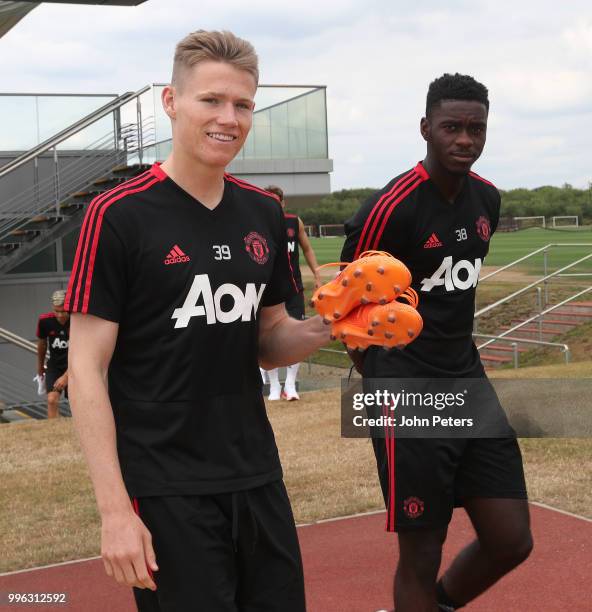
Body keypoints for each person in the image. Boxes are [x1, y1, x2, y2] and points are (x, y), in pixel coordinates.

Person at [65, 30, 331, 612]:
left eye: (242, 105)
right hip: (166, 488)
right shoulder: (116, 216)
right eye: (211, 100)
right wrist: (115, 512)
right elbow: (85, 370)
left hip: (256, 475)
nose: (228, 118)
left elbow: (269, 339)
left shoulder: (263, 211)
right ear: (171, 101)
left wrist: (332, 326)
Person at [340, 73, 532, 611]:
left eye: (476, 128)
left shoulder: (487, 200)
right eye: (452, 127)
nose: (465, 139)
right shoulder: (391, 208)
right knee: (422, 554)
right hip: (406, 391)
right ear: (427, 128)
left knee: (511, 538)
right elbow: (349, 307)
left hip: (468, 382)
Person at [260, 184, 321, 401]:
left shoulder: (295, 222)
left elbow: (307, 248)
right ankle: (274, 385)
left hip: (293, 286)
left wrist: (317, 274)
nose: (274, 205)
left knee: (299, 330)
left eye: (277, 201)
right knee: (269, 336)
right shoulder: (256, 222)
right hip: (268, 288)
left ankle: (290, 385)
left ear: (283, 203)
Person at [36, 289, 69, 418]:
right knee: (51, 399)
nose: (60, 315)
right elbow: (42, 344)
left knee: (77, 401)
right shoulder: (45, 321)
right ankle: (53, 431)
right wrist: (40, 367)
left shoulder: (78, 321)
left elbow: (81, 354)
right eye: (57, 311)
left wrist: (66, 376)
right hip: (55, 365)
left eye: (64, 311)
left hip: (75, 366)